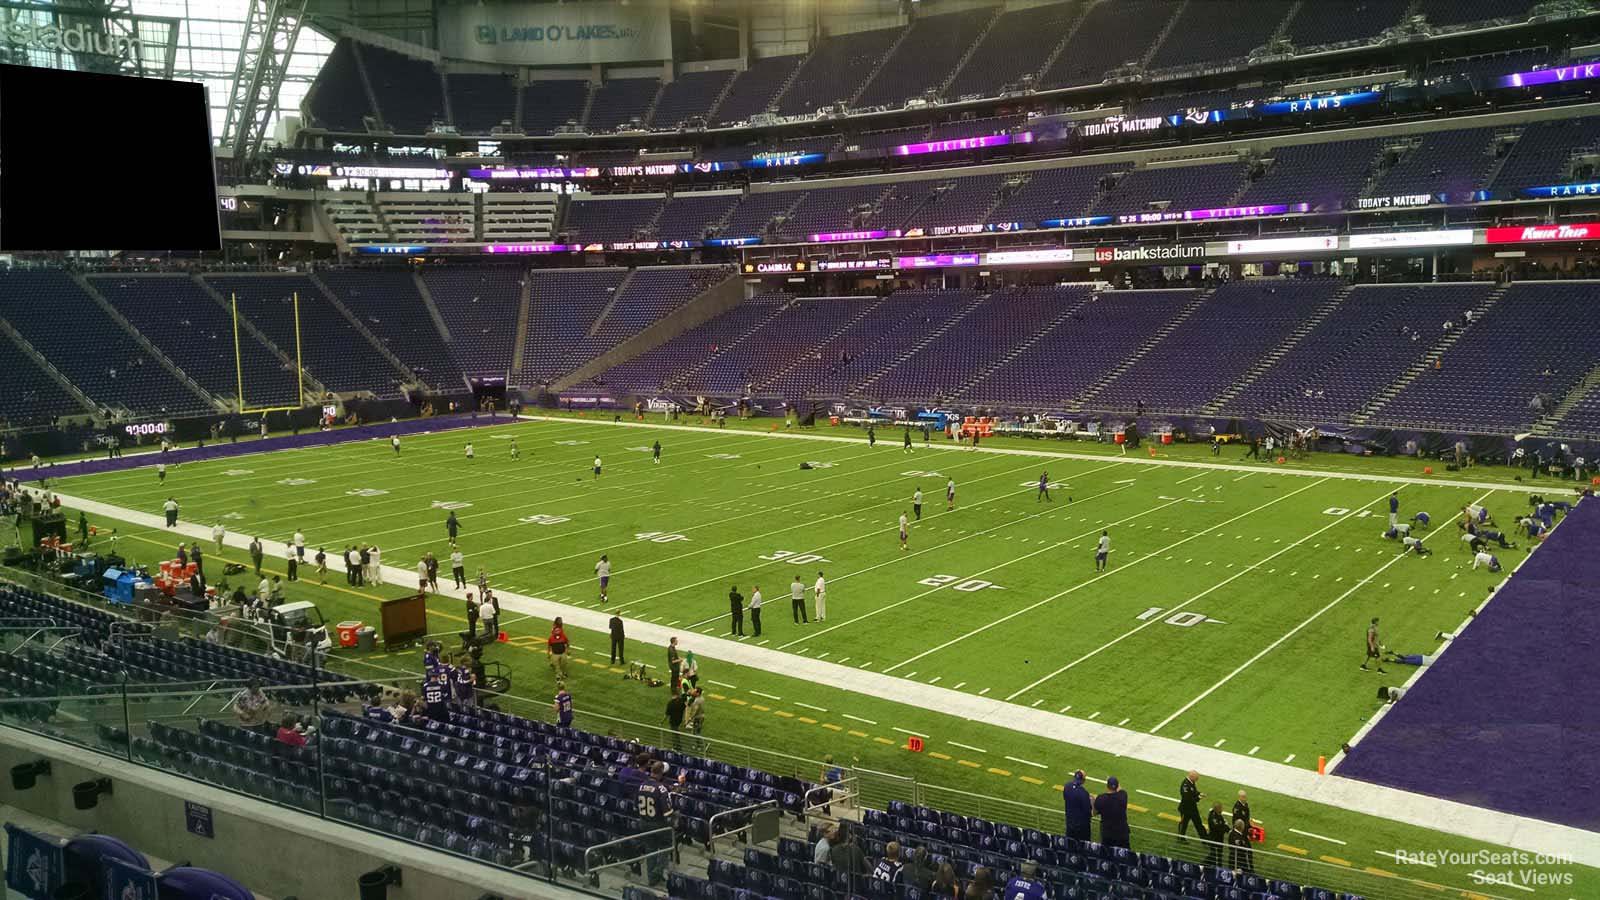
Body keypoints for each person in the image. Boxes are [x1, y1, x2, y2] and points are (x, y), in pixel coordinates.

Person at [1093, 776, 1130, 849]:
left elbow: (1094, 813)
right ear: (1117, 786)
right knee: (1124, 853)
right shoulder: (1123, 795)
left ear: (1107, 786)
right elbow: (1120, 789)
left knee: (1107, 853)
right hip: (1122, 832)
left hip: (1107, 833)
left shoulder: (1101, 798)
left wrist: (1093, 802)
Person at [1063, 770, 1092, 841]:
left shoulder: (1067, 786)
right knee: (1082, 845)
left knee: (1069, 843)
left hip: (1069, 823)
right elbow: (1088, 811)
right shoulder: (1083, 793)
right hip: (1081, 827)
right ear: (1083, 781)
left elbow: (1065, 797)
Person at [1177, 770, 1205, 839]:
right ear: (1192, 777)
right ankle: (1181, 837)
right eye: (1196, 778)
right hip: (1186, 809)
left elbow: (1193, 791)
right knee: (1184, 824)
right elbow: (1187, 798)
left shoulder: (1191, 782)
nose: (1197, 779)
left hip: (1192, 808)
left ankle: (1204, 838)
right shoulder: (1185, 785)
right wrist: (1198, 798)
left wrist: (1199, 793)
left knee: (1198, 823)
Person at [1205, 801, 1228, 868]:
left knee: (1218, 854)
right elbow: (1218, 828)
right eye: (1221, 808)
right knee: (1213, 855)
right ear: (1217, 809)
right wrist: (1226, 828)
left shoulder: (1217, 815)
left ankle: (1218, 866)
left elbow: (1222, 824)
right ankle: (1203, 865)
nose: (1222, 809)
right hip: (1215, 838)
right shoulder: (1214, 818)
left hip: (1218, 838)